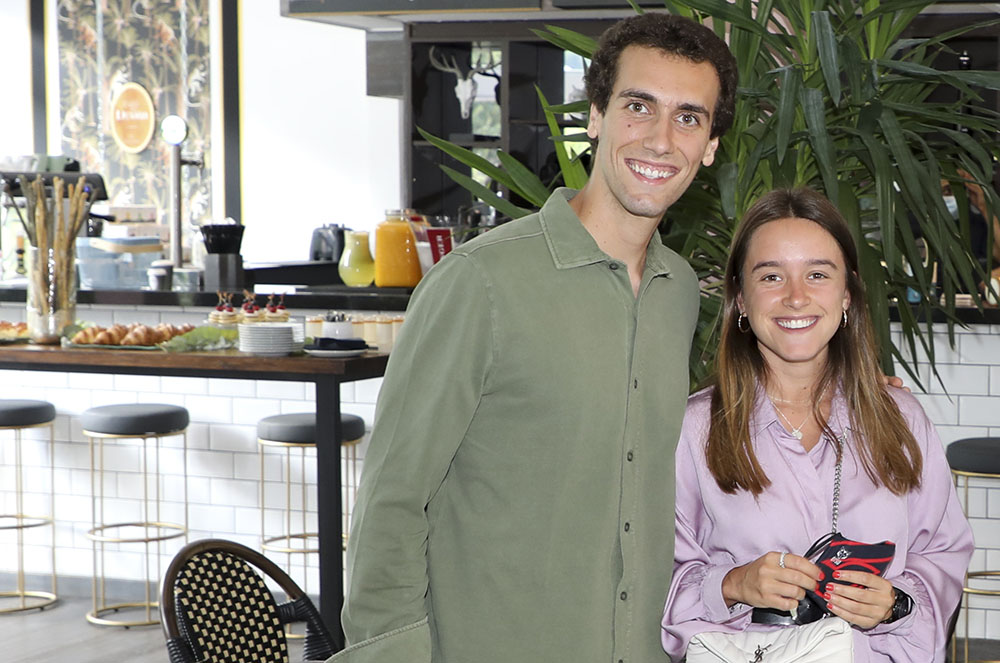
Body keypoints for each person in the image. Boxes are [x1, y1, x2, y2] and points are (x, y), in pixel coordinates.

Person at [329, 12, 738, 663]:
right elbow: (392, 501)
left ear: (710, 146)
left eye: (688, 117)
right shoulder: (481, 282)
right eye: (638, 106)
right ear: (596, 116)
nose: (661, 139)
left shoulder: (680, 291)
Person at [661, 188, 974, 661]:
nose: (795, 297)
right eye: (771, 276)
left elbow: (943, 556)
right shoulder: (694, 430)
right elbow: (655, 581)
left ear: (847, 294)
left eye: (817, 274)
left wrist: (896, 604)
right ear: (741, 298)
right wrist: (732, 584)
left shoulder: (902, 420)